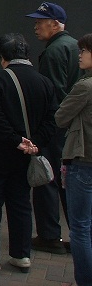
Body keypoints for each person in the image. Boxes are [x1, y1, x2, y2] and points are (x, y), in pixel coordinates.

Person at [0, 33, 56, 276]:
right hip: (26, 157)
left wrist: (16, 140)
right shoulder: (44, 82)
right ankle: (21, 255)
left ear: (2, 56)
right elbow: (53, 119)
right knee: (21, 205)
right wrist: (34, 143)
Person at [26, 1, 82, 253]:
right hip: (75, 127)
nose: (36, 27)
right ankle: (80, 234)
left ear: (56, 24)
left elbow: (51, 93)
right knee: (69, 181)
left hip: (56, 127)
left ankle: (49, 235)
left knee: (47, 177)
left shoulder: (53, 51)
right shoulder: (74, 47)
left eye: (40, 22)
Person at [55, 33, 92, 285]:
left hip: (82, 161)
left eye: (84, 51)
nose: (79, 55)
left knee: (79, 227)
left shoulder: (84, 87)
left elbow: (60, 117)